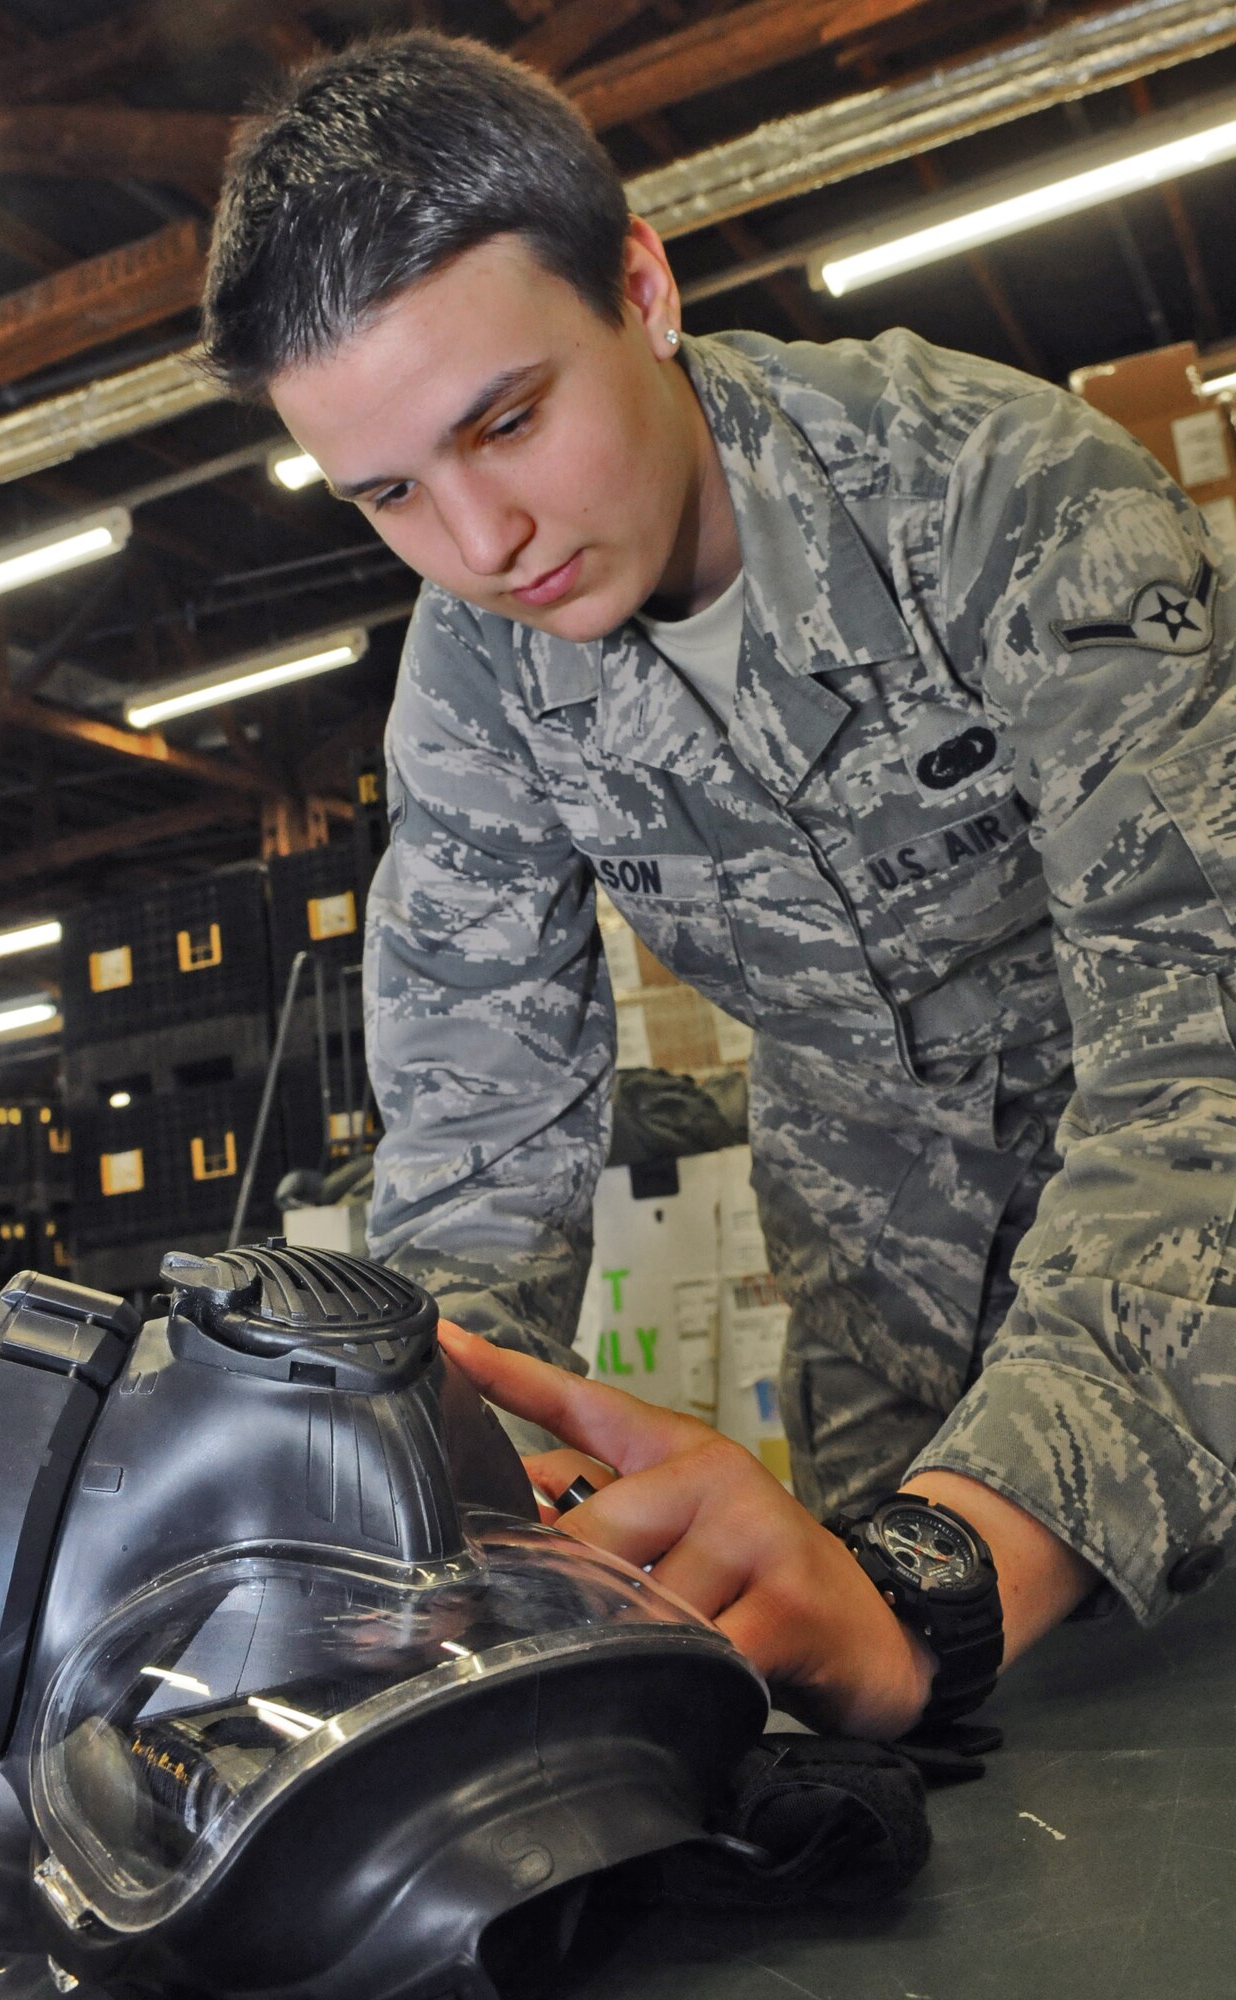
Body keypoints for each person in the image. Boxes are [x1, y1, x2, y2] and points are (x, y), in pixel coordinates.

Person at [202, 30, 1236, 1740]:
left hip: (1188, 1263)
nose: (480, 545)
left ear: (642, 283)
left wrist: (945, 1575)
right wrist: (418, 1526)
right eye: (388, 493)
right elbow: (476, 1166)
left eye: (509, 421)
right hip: (884, 1296)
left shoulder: (1010, 502)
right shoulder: (474, 683)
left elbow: (1202, 1053)